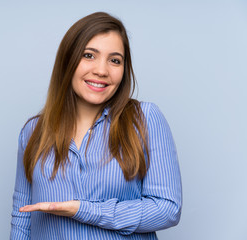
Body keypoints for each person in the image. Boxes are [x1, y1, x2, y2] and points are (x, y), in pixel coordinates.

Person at [10, 12, 182, 240]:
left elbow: (167, 209)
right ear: (67, 61)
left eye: (115, 60)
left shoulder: (145, 119)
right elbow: (22, 219)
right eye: (89, 55)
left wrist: (84, 209)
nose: (102, 70)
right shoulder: (33, 132)